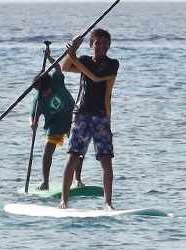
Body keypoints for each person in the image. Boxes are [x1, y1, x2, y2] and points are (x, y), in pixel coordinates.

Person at [58, 28, 119, 209]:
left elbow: (96, 77)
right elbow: (65, 67)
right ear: (91, 45)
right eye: (97, 43)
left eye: (105, 43)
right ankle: (64, 200)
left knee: (106, 159)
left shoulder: (112, 64)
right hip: (81, 114)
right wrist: (73, 48)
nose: (101, 46)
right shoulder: (84, 60)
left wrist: (73, 56)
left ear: (109, 46)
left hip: (101, 116)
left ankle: (108, 203)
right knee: (73, 156)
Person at [29, 46, 83, 191]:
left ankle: (77, 180)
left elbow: (58, 68)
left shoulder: (56, 81)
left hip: (72, 118)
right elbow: (33, 116)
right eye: (41, 92)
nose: (44, 94)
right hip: (55, 125)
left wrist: (49, 58)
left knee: (77, 151)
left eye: (46, 91)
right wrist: (33, 124)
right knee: (47, 151)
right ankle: (45, 181)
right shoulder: (38, 99)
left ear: (49, 85)